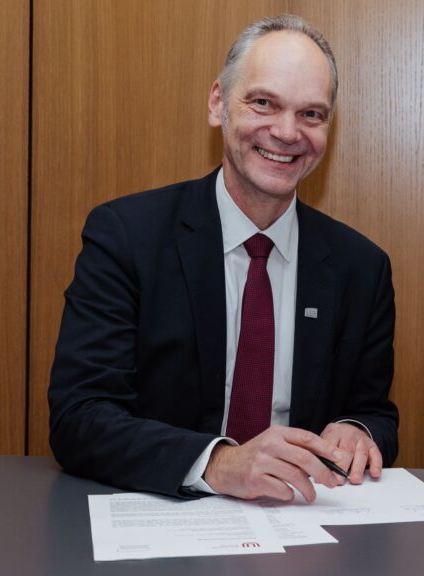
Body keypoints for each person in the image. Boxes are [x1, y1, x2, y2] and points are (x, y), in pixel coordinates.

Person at [49, 14, 398, 502]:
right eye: (263, 103)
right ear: (218, 103)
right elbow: (80, 416)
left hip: (301, 524)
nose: (287, 132)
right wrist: (217, 463)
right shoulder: (127, 237)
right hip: (162, 517)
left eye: (310, 114)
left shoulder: (362, 267)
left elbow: (375, 412)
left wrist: (357, 430)